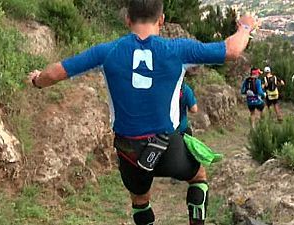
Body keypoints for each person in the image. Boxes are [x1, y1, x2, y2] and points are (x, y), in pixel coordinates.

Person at [28, 1, 255, 224]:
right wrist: (245, 26)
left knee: (139, 199)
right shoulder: (177, 50)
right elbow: (232, 50)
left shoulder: (106, 52)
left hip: (129, 151)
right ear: (162, 20)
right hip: (167, 146)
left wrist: (37, 80)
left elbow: (57, 72)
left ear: (127, 19)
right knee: (198, 178)